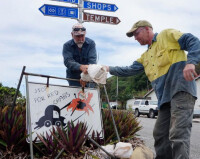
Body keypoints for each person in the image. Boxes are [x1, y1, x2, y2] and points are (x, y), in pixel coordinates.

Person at [105, 20, 200, 159]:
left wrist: (191, 62)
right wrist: (107, 69)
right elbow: (128, 70)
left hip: (181, 91)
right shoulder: (145, 57)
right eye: (133, 36)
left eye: (136, 33)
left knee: (178, 134)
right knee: (160, 133)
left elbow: (193, 41)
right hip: (164, 99)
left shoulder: (166, 35)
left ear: (147, 29)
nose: (135, 38)